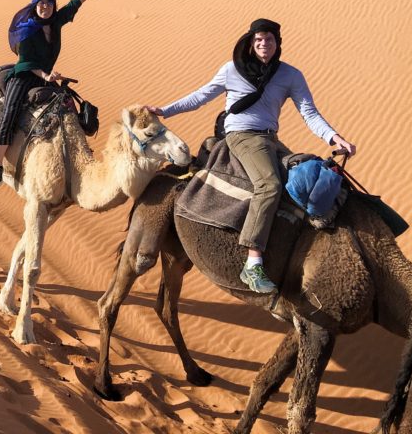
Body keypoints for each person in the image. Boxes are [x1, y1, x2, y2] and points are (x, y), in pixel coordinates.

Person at [147, 18, 356, 293]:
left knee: (306, 177)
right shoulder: (232, 70)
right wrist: (166, 110)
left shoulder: (290, 75)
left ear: (277, 43)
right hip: (242, 137)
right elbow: (201, 95)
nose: (263, 44)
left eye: (268, 39)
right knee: (269, 185)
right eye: (258, 40)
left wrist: (334, 137)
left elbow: (309, 112)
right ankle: (253, 262)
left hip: (271, 139)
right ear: (250, 42)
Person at [0, 0, 117, 187]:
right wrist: (47, 75)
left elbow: (78, 0)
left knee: (69, 107)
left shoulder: (56, 21)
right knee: (10, 112)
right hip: (25, 75)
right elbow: (28, 61)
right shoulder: (27, 30)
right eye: (41, 4)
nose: (45, 7)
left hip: (47, 77)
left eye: (49, 4)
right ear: (35, 6)